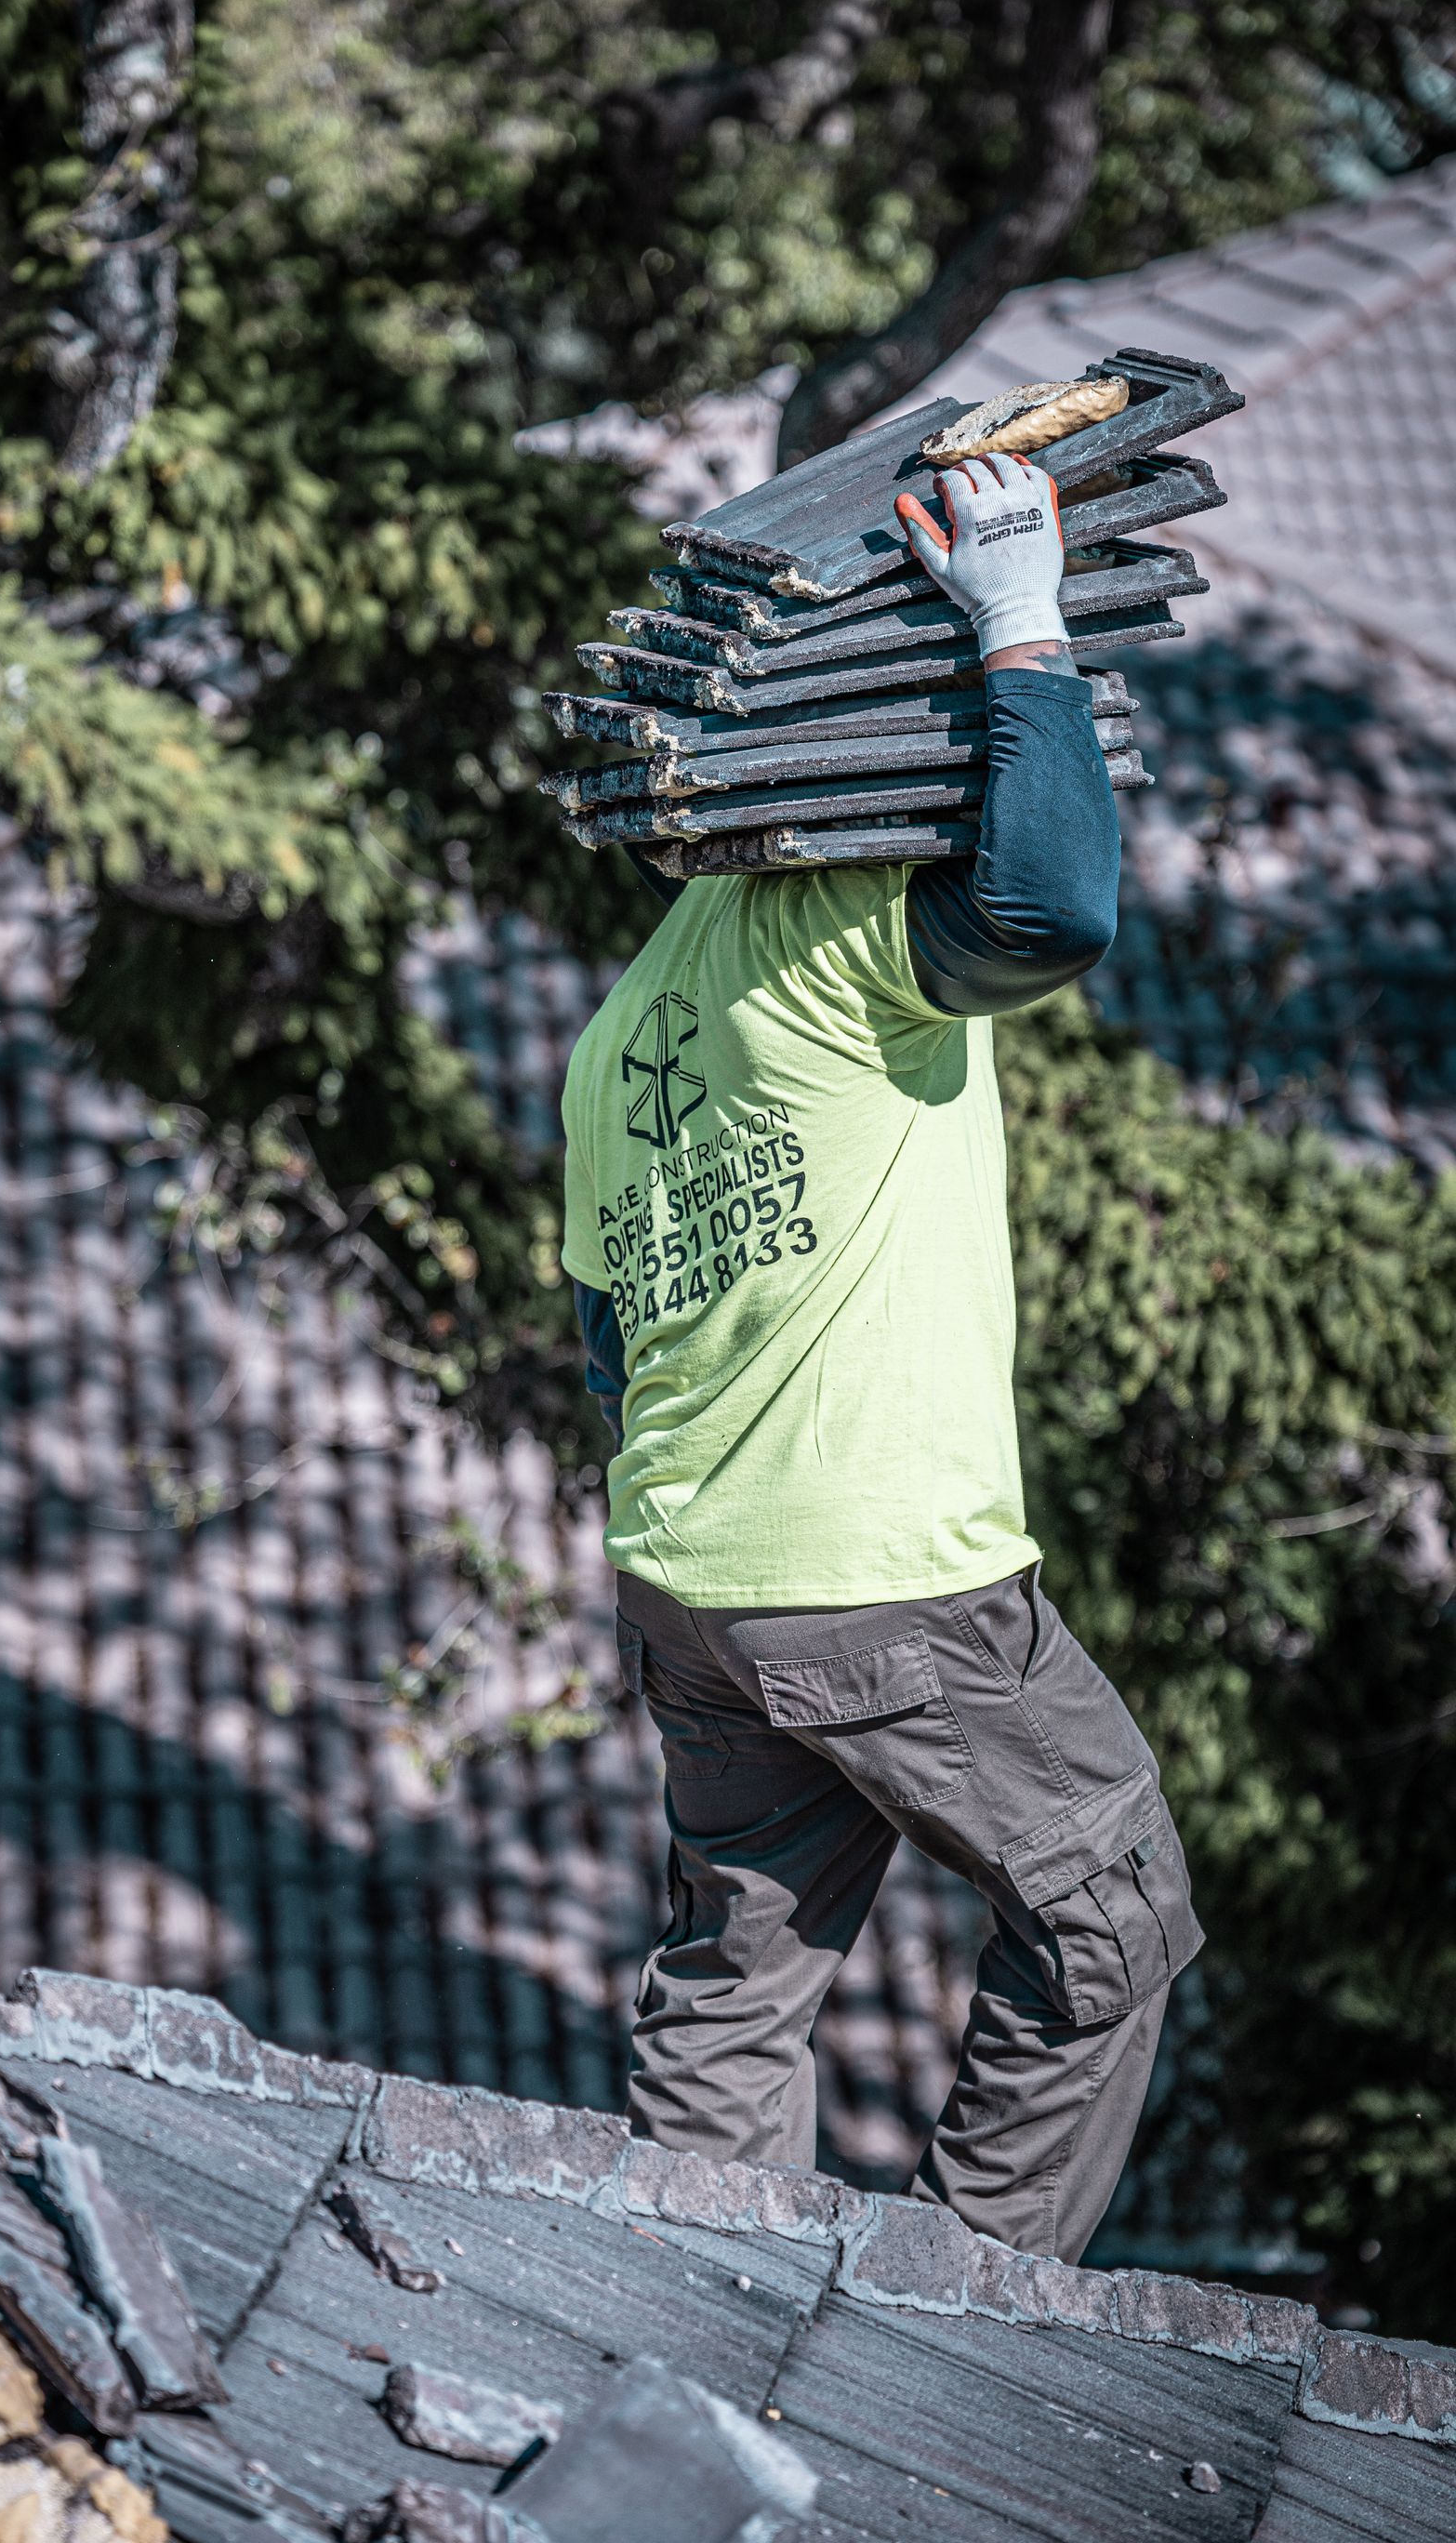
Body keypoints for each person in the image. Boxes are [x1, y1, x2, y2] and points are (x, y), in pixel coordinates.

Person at [561, 451, 1202, 2263]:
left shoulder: (622, 1028)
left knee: (736, 1977)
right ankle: (960, 2315)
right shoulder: (846, 932)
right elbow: (1051, 908)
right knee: (1113, 1904)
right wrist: (1021, 628)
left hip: (693, 1579)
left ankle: (703, 2297)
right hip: (886, 1584)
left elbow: (612, 1335)